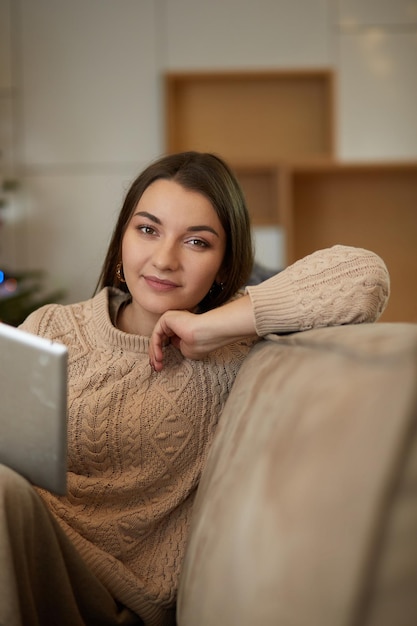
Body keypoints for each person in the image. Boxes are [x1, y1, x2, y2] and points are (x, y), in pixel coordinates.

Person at [0, 151, 390, 626]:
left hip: (101, 592)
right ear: (123, 237)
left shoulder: (230, 352)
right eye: (147, 230)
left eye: (197, 242)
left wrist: (214, 327)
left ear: (226, 264)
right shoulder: (50, 326)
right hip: (14, 543)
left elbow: (363, 277)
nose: (164, 259)